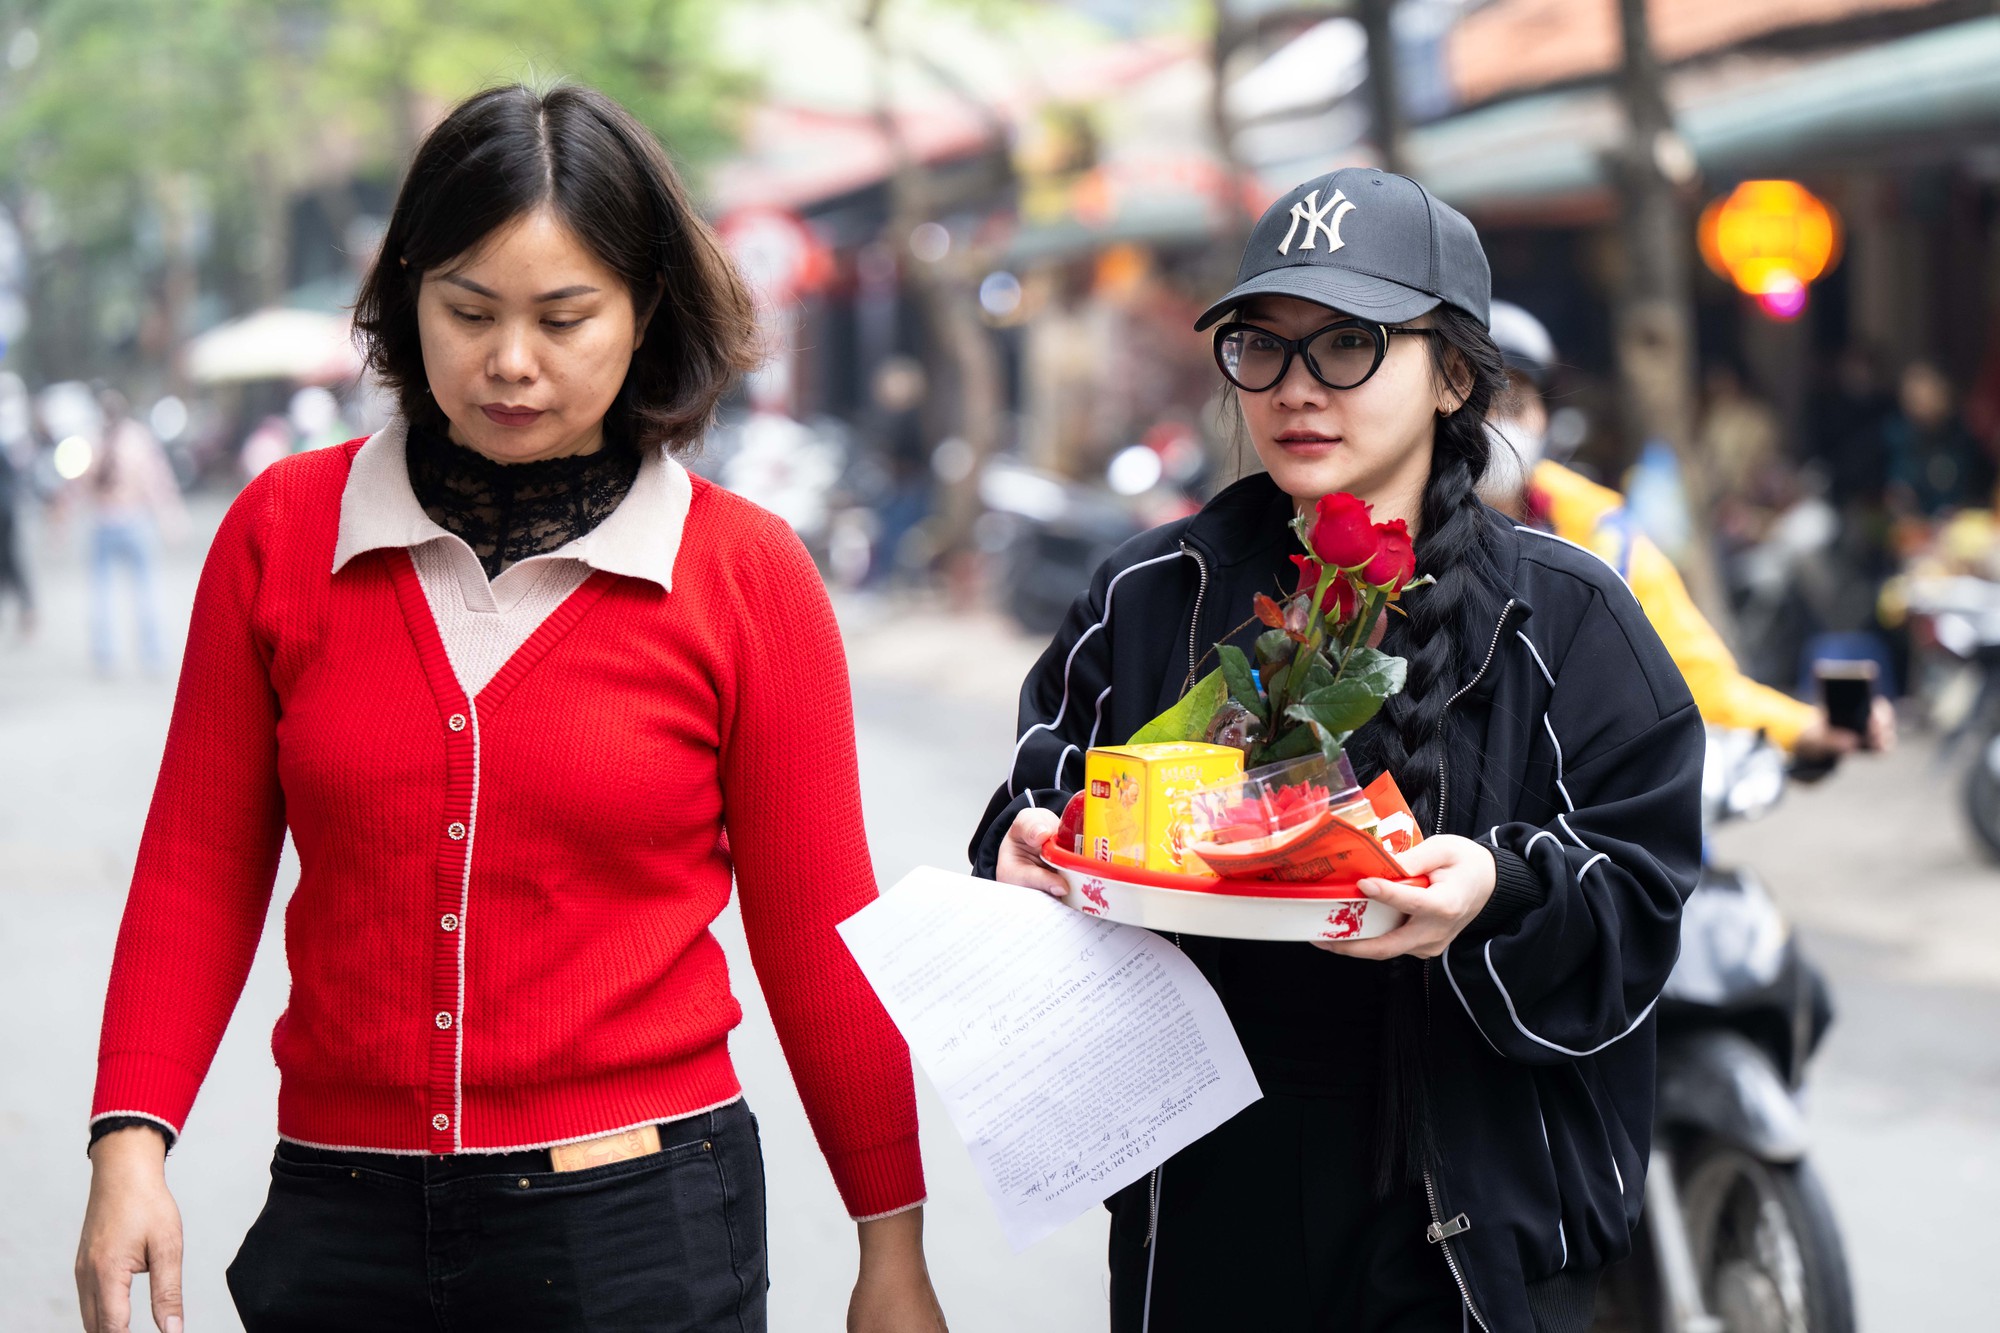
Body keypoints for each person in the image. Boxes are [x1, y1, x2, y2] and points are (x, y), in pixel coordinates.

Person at [76, 84, 947, 1333]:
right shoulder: (281, 534)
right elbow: (197, 867)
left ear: (645, 314)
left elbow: (820, 931)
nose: (510, 361)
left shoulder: (746, 575)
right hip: (338, 1225)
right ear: (405, 297)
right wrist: (130, 1140)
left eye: (564, 316)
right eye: (468, 311)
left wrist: (891, 1248)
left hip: (638, 1228)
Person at [973, 169, 1706, 1332]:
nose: (1293, 389)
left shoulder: (1570, 619)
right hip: (1207, 1194)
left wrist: (1495, 884)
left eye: (1347, 346)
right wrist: (1020, 856)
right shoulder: (1153, 593)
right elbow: (1039, 796)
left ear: (1451, 374)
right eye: (1258, 347)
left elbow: (1640, 891)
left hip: (1467, 1218)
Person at [1478, 301, 1895, 763]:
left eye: (1518, 402)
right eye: (1484, 400)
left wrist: (1802, 728)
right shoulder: (1394, 528)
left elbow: (1694, 675)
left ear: (1546, 417)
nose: (1501, 422)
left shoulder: (1598, 527)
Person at [74, 389, 187, 675]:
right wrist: (169, 519)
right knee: (146, 589)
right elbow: (156, 482)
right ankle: (153, 653)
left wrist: (61, 520)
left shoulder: (90, 440)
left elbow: (78, 484)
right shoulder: (137, 439)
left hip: (103, 522)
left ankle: (104, 653)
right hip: (135, 521)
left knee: (102, 592)